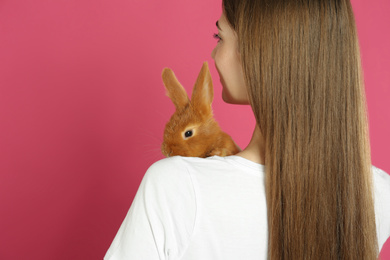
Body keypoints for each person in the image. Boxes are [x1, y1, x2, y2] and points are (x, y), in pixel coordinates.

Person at [104, 0, 390, 259]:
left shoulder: (178, 186)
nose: (214, 53)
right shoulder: (375, 192)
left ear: (260, 50)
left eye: (220, 37)